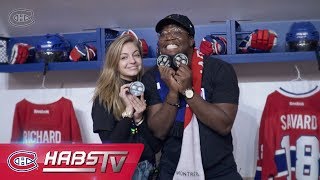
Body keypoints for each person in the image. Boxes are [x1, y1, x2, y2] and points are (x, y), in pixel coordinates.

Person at [141, 14, 242, 179]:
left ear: (191, 40)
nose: (169, 37)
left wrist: (187, 91)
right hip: (172, 170)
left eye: (176, 31)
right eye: (163, 34)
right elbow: (158, 132)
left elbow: (223, 125)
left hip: (219, 170)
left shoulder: (220, 70)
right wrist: (173, 92)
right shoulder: (152, 77)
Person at [91, 33, 161, 180]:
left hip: (150, 170)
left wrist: (139, 119)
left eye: (136, 55)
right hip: (122, 172)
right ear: (114, 63)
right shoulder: (104, 98)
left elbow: (155, 147)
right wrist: (128, 113)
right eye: (124, 57)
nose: (132, 61)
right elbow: (112, 148)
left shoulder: (147, 90)